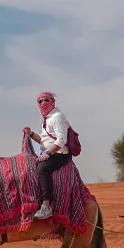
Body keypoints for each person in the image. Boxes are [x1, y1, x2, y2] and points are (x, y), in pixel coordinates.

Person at [25, 91, 72, 220]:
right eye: (40, 101)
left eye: (46, 100)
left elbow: (61, 141)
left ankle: (47, 205)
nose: (43, 103)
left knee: (42, 169)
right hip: (50, 152)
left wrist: (48, 153)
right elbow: (44, 141)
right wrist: (31, 134)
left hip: (59, 154)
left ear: (53, 102)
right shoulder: (47, 119)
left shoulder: (57, 117)